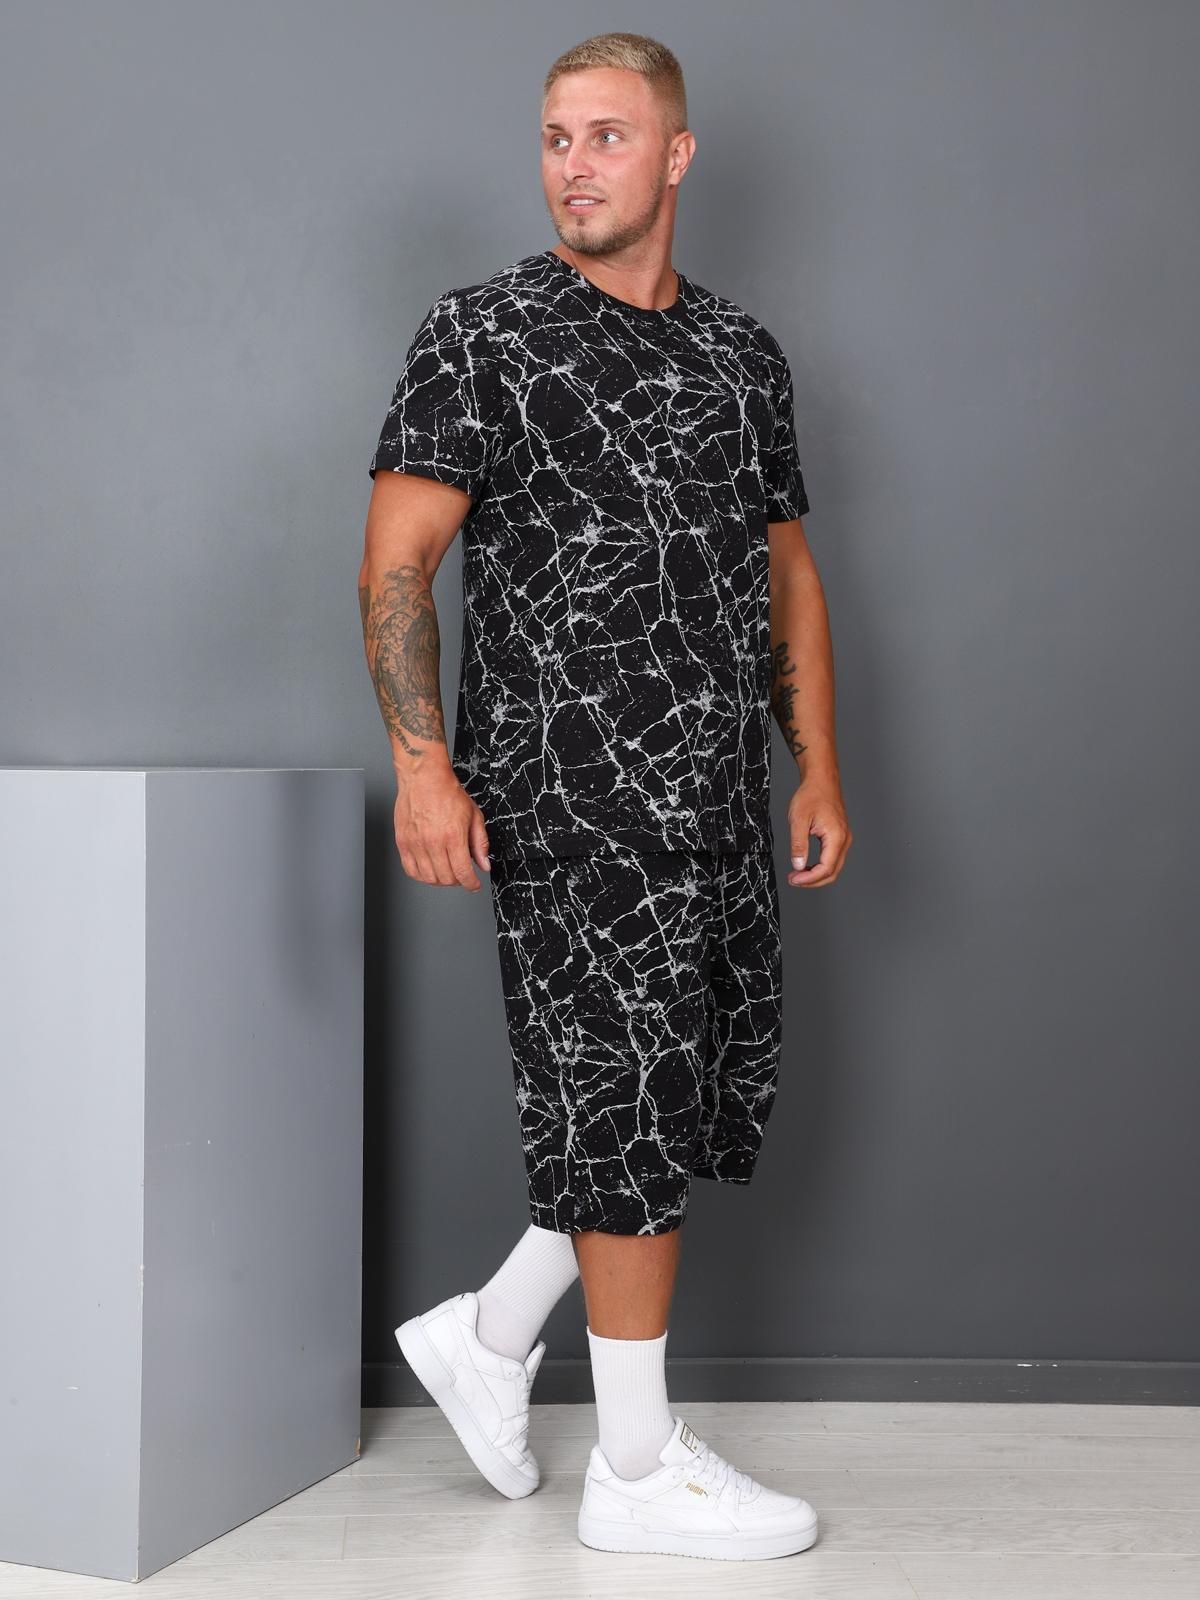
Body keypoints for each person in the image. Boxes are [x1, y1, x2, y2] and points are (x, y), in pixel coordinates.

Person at [358, 30, 851, 1563]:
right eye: (556, 138)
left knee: (670, 1096)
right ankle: (635, 1468)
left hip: (714, 794)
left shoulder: (743, 356)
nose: (575, 166)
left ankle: (491, 1335)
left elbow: (785, 572)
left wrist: (817, 763)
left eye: (609, 137)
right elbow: (397, 565)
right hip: (568, 794)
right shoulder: (484, 332)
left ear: (677, 154)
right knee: (625, 1104)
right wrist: (424, 767)